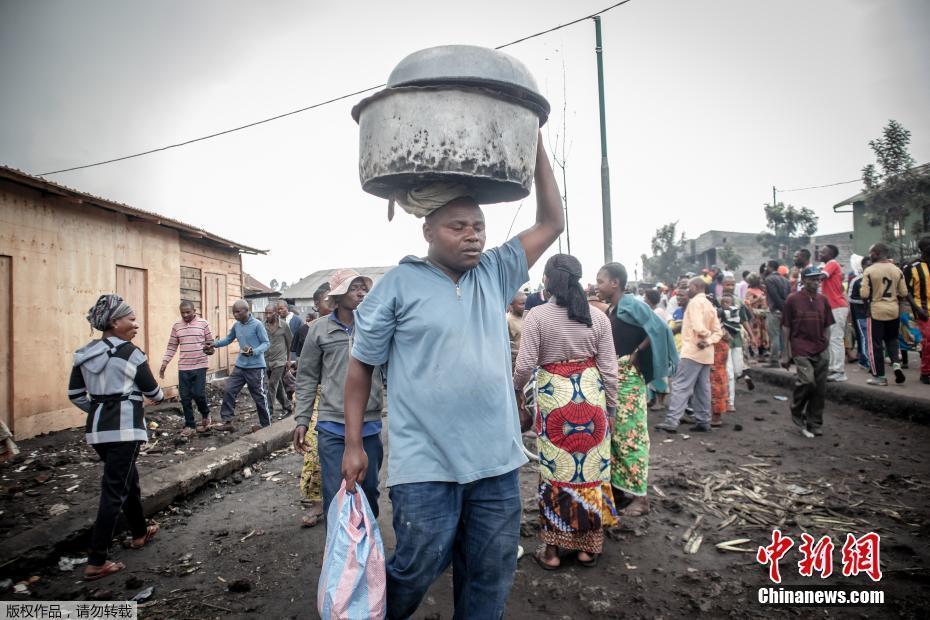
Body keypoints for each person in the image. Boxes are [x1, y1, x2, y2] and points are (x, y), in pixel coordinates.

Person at [342, 131, 564, 618]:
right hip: (425, 466)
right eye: (458, 226)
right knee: (417, 567)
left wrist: (535, 144)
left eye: (479, 226)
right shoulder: (398, 285)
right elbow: (360, 366)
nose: (474, 236)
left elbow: (551, 221)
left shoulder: (496, 271)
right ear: (427, 231)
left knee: (490, 573)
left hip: (496, 464)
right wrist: (355, 443)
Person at [513, 255, 617, 569]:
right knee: (591, 473)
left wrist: (517, 392)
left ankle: (553, 552)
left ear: (547, 280)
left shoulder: (537, 316)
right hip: (591, 399)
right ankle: (588, 549)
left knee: (556, 474)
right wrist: (610, 408)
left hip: (554, 400)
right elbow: (610, 371)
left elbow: (524, 366)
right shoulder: (598, 317)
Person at [69, 295, 164, 580]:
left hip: (97, 431)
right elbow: (155, 393)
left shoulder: (84, 353)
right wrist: (124, 404)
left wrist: (100, 407)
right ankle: (97, 560)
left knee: (127, 480)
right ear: (115, 322)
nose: (135, 324)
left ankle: (138, 532)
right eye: (131, 319)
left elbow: (75, 395)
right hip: (125, 430)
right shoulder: (131, 353)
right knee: (114, 490)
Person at [293, 270, 384, 523]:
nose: (361, 292)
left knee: (369, 491)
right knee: (336, 493)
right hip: (332, 424)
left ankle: (368, 554)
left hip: (369, 422)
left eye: (363, 288)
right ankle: (340, 558)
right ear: (338, 295)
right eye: (353, 288)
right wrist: (301, 419)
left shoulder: (375, 326)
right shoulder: (319, 330)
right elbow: (307, 377)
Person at [597, 263, 677, 517]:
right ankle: (619, 490)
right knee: (616, 437)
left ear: (615, 283)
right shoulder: (615, 307)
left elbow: (660, 328)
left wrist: (638, 353)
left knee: (631, 437)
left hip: (629, 381)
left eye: (601, 281)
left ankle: (641, 499)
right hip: (616, 380)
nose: (597, 285)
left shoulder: (632, 304)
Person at [655, 278, 723, 433]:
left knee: (680, 385)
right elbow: (718, 331)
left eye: (689, 287)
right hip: (706, 353)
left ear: (696, 287)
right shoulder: (709, 304)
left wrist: (704, 337)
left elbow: (698, 326)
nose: (687, 290)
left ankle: (672, 421)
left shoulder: (694, 303)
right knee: (702, 388)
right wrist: (709, 340)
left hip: (692, 350)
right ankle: (704, 421)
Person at [295, 283, 334, 528]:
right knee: (314, 452)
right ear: (316, 304)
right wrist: (302, 415)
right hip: (317, 396)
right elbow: (305, 371)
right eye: (327, 301)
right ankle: (318, 504)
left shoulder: (354, 328)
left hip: (341, 397)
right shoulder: (308, 330)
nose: (332, 305)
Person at [781, 267, 834, 437]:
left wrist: (825, 344)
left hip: (820, 348)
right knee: (807, 381)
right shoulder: (792, 300)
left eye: (818, 279)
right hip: (800, 347)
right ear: (803, 280)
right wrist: (786, 352)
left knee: (820, 389)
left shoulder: (823, 300)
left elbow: (827, 326)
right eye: (812, 279)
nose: (816, 282)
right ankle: (796, 408)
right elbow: (786, 327)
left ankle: (814, 422)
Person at [207, 300, 271, 432]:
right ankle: (227, 421)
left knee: (259, 397)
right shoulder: (237, 325)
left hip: (256, 367)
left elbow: (266, 343)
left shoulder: (257, 325)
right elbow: (229, 339)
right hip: (240, 366)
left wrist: (254, 351)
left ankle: (266, 426)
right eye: (233, 312)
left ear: (246, 311)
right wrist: (214, 344)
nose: (235, 315)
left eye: (237, 312)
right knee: (229, 390)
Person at [159, 301, 213, 436]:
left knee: (199, 394)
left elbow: (211, 344)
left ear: (194, 311)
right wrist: (165, 363)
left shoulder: (203, 324)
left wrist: (210, 350)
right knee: (185, 397)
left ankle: (206, 414)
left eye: (188, 312)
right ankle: (190, 425)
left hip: (200, 365)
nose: (185, 315)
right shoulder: (177, 326)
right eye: (182, 312)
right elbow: (172, 346)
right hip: (183, 367)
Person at [861, 243, 908, 386]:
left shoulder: (869, 270)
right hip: (893, 310)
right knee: (892, 340)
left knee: (875, 344)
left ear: (876, 253)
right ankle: (896, 364)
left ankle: (879, 377)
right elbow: (904, 293)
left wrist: (867, 307)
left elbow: (864, 294)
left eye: (871, 253)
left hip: (876, 311)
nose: (870, 255)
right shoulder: (896, 270)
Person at [818, 244, 850, 382]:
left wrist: (810, 276)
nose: (820, 253)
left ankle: (839, 371)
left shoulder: (832, 263)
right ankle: (833, 368)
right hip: (834, 306)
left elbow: (822, 276)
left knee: (835, 339)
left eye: (823, 252)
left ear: (830, 254)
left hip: (836, 305)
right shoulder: (830, 264)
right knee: (832, 339)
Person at [904, 237, 930, 384]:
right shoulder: (912, 267)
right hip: (923, 309)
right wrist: (918, 309)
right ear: (924, 248)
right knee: (929, 340)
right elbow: (906, 291)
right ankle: (925, 373)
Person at [643, 288, 672, 410]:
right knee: (653, 374)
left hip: (659, 347)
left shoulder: (658, 312)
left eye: (645, 297)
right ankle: (653, 399)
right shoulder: (653, 311)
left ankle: (660, 402)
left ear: (649, 299)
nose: (644, 299)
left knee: (660, 374)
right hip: (653, 347)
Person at [264, 303, 293, 419]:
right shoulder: (262, 326)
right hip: (267, 360)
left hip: (280, 361)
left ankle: (268, 414)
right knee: (278, 386)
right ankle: (288, 406)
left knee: (272, 385)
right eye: (266, 313)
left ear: (276, 313)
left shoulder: (284, 326)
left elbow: (290, 344)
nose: (267, 315)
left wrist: (289, 360)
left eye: (270, 313)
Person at [763, 260, 790, 368]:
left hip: (774, 310)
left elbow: (774, 296)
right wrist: (785, 309)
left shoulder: (769, 279)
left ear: (770, 267)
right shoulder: (785, 280)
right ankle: (784, 358)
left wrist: (780, 307)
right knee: (783, 337)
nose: (765, 269)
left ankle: (774, 360)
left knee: (774, 336)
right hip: (784, 311)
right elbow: (787, 296)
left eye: (766, 267)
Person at [848, 256, 872, 372]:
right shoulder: (856, 280)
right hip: (861, 314)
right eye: (867, 265)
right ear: (863, 267)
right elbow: (851, 298)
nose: (870, 267)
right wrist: (865, 301)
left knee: (872, 338)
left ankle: (872, 360)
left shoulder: (876, 278)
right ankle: (864, 361)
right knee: (864, 337)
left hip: (875, 314)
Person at [743, 274, 769, 360]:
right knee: (755, 333)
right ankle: (753, 352)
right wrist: (758, 299)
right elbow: (747, 303)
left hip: (762, 316)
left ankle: (762, 351)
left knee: (763, 333)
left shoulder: (761, 290)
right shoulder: (749, 291)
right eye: (758, 279)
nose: (760, 280)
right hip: (754, 316)